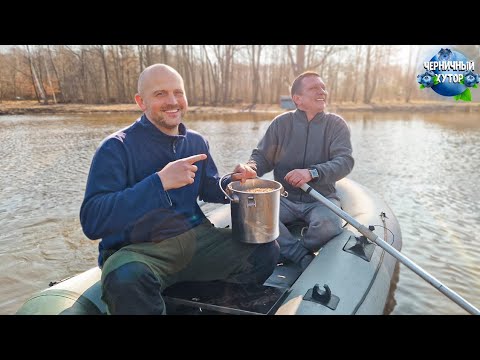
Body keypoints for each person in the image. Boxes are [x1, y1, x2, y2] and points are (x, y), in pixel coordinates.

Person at [80, 64, 279, 315]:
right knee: (126, 277)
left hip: (196, 239)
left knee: (265, 250)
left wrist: (235, 183)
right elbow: (92, 222)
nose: (172, 101)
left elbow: (210, 187)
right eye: (160, 94)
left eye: (178, 92)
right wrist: (159, 182)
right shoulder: (115, 148)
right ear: (141, 102)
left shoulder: (196, 141)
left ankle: (210, 306)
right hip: (141, 251)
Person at [234, 71, 354, 270]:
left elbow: (345, 161)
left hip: (320, 198)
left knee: (329, 226)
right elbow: (262, 157)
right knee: (252, 214)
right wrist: (251, 168)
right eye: (314, 88)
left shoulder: (336, 125)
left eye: (323, 87)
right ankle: (300, 255)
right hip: (284, 198)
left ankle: (292, 251)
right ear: (297, 99)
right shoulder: (281, 124)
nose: (322, 91)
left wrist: (312, 173)